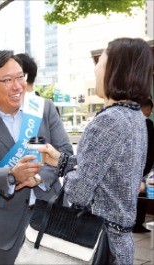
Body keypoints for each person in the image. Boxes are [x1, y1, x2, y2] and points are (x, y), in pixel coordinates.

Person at [38, 38, 153, 265]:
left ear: (114, 69)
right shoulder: (135, 116)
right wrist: (62, 161)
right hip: (119, 243)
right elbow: (109, 172)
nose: (96, 69)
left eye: (101, 62)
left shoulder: (109, 120)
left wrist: (69, 176)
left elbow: (79, 191)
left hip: (98, 245)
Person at [0, 50, 73, 264]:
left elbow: (64, 155)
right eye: (7, 80)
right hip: (5, 225)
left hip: (51, 214)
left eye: (20, 77)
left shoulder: (43, 109)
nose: (17, 86)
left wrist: (39, 177)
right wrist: (12, 174)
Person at [133, 98, 154, 233]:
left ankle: (133, 222)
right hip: (145, 165)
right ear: (147, 108)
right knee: (142, 195)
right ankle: (138, 224)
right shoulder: (148, 124)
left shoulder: (132, 122)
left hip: (132, 165)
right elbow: (151, 148)